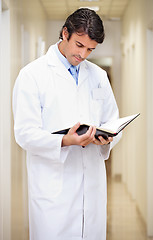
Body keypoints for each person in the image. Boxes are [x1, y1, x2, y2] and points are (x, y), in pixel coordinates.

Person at [12, 8, 121, 240]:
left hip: (91, 186)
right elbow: (24, 133)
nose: (83, 55)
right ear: (65, 33)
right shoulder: (33, 75)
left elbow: (112, 118)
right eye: (79, 45)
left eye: (90, 49)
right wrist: (64, 140)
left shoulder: (99, 76)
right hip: (54, 191)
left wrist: (108, 135)